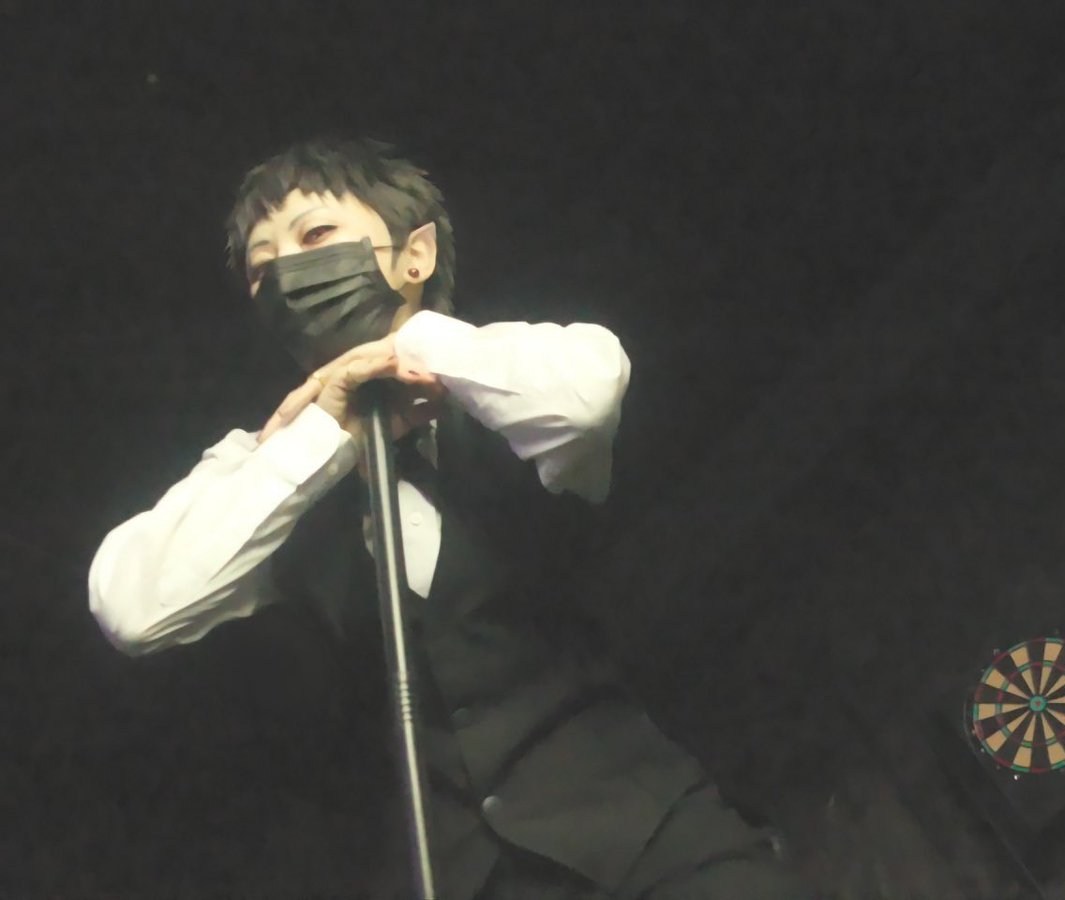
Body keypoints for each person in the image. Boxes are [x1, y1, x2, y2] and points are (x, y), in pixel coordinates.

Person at [88, 137, 803, 900]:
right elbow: (134, 605)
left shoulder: (500, 384)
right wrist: (323, 431)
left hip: (655, 841)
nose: (289, 276)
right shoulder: (263, 458)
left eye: (317, 235)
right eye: (263, 270)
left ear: (415, 254)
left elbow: (585, 398)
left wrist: (407, 345)